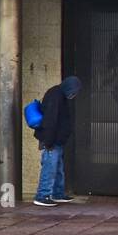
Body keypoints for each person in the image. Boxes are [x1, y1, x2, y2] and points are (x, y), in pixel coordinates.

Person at [34, 75, 82, 207]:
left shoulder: (59, 94)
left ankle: (57, 193)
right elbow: (51, 120)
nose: (74, 94)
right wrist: (48, 142)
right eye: (74, 91)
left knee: (58, 168)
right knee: (49, 168)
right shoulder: (56, 96)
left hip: (56, 140)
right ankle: (42, 195)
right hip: (51, 140)